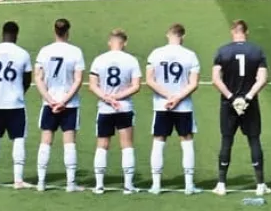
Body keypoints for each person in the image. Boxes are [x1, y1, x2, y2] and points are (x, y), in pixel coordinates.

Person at [211, 20, 269, 196]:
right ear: (247, 31)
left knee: (227, 140)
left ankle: (221, 184)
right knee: (254, 140)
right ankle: (260, 185)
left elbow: (216, 79)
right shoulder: (257, 51)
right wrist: (247, 98)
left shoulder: (222, 51)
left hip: (228, 104)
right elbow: (262, 79)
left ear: (232, 31)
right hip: (249, 104)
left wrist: (231, 98)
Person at [144, 23, 202, 194]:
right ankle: (189, 185)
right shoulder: (190, 55)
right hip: (183, 106)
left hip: (162, 105)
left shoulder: (156, 53)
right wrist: (177, 97)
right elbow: (194, 83)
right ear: (182, 36)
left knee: (159, 141)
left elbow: (150, 80)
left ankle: (156, 185)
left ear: (167, 35)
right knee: (187, 141)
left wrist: (168, 96)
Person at [33, 18, 86, 192]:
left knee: (45, 141)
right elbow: (78, 80)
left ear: (54, 31)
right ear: (68, 32)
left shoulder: (44, 51)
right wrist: (64, 101)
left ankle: (41, 182)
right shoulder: (76, 52)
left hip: (49, 104)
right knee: (69, 142)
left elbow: (38, 78)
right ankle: (71, 184)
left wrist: (50, 100)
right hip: (69, 105)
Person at [89, 29, 142, 194]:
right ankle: (128, 185)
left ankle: (99, 186)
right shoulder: (131, 60)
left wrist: (107, 98)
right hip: (124, 107)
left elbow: (92, 85)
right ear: (125, 42)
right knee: (126, 145)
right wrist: (117, 97)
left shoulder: (99, 60)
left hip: (105, 109)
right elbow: (136, 86)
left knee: (102, 145)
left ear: (109, 42)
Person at [0, 21, 33, 189]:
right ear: (16, 35)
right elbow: (27, 81)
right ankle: (18, 180)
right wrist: (17, 92)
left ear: (2, 33)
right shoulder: (23, 54)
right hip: (16, 104)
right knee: (18, 140)